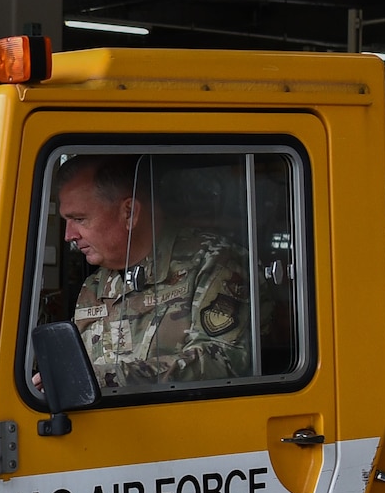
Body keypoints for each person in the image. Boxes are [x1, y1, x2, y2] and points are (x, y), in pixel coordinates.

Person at [55, 153, 250, 391]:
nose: (69, 235)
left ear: (129, 213)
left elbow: (224, 361)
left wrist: (102, 379)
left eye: (79, 219)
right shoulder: (95, 286)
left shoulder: (214, 263)